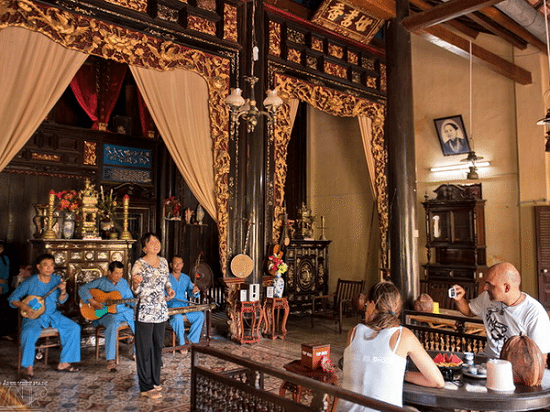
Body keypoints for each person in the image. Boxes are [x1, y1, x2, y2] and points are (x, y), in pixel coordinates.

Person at [339, 281, 444, 412]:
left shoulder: (353, 333)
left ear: (371, 305)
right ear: (397, 308)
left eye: (366, 305)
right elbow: (437, 381)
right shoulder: (404, 336)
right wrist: (404, 374)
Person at [451, 262, 550, 360]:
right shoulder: (487, 298)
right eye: (486, 283)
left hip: (515, 369)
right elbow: (469, 311)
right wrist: (459, 299)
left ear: (506, 288)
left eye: (490, 285)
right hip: (489, 362)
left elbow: (539, 359)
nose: (485, 288)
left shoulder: (534, 313)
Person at [8, 253, 81, 378]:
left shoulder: (57, 280)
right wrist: (25, 307)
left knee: (74, 328)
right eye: (45, 265)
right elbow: (13, 299)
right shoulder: (30, 282)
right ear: (39, 267)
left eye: (52, 265)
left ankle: (64, 363)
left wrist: (63, 290)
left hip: (53, 315)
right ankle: (29, 368)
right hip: (35, 317)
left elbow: (62, 300)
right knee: (29, 333)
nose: (49, 268)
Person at [131, 233, 175, 400]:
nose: (156, 244)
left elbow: (166, 281)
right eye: (152, 242)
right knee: (144, 349)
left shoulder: (163, 262)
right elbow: (135, 289)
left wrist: (169, 290)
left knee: (157, 346)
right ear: (144, 247)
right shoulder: (139, 264)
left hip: (161, 310)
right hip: (144, 312)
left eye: (157, 241)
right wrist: (136, 282)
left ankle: (155, 380)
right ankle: (146, 385)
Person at [78, 260, 135, 371]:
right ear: (109, 272)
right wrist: (93, 301)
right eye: (116, 273)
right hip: (105, 313)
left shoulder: (123, 283)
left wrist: (138, 303)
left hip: (123, 312)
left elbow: (130, 299)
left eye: (121, 273)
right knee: (113, 324)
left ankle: (137, 353)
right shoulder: (100, 281)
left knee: (140, 320)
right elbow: (82, 289)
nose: (119, 276)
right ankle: (110, 360)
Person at [166, 256, 204, 355]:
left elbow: (191, 293)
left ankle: (191, 341)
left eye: (180, 263)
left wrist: (195, 291)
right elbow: (161, 294)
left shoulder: (186, 278)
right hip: (171, 306)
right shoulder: (166, 278)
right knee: (177, 318)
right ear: (171, 265)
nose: (177, 266)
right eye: (175, 263)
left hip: (184, 306)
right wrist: (167, 297)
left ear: (183, 265)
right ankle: (182, 344)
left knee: (200, 315)